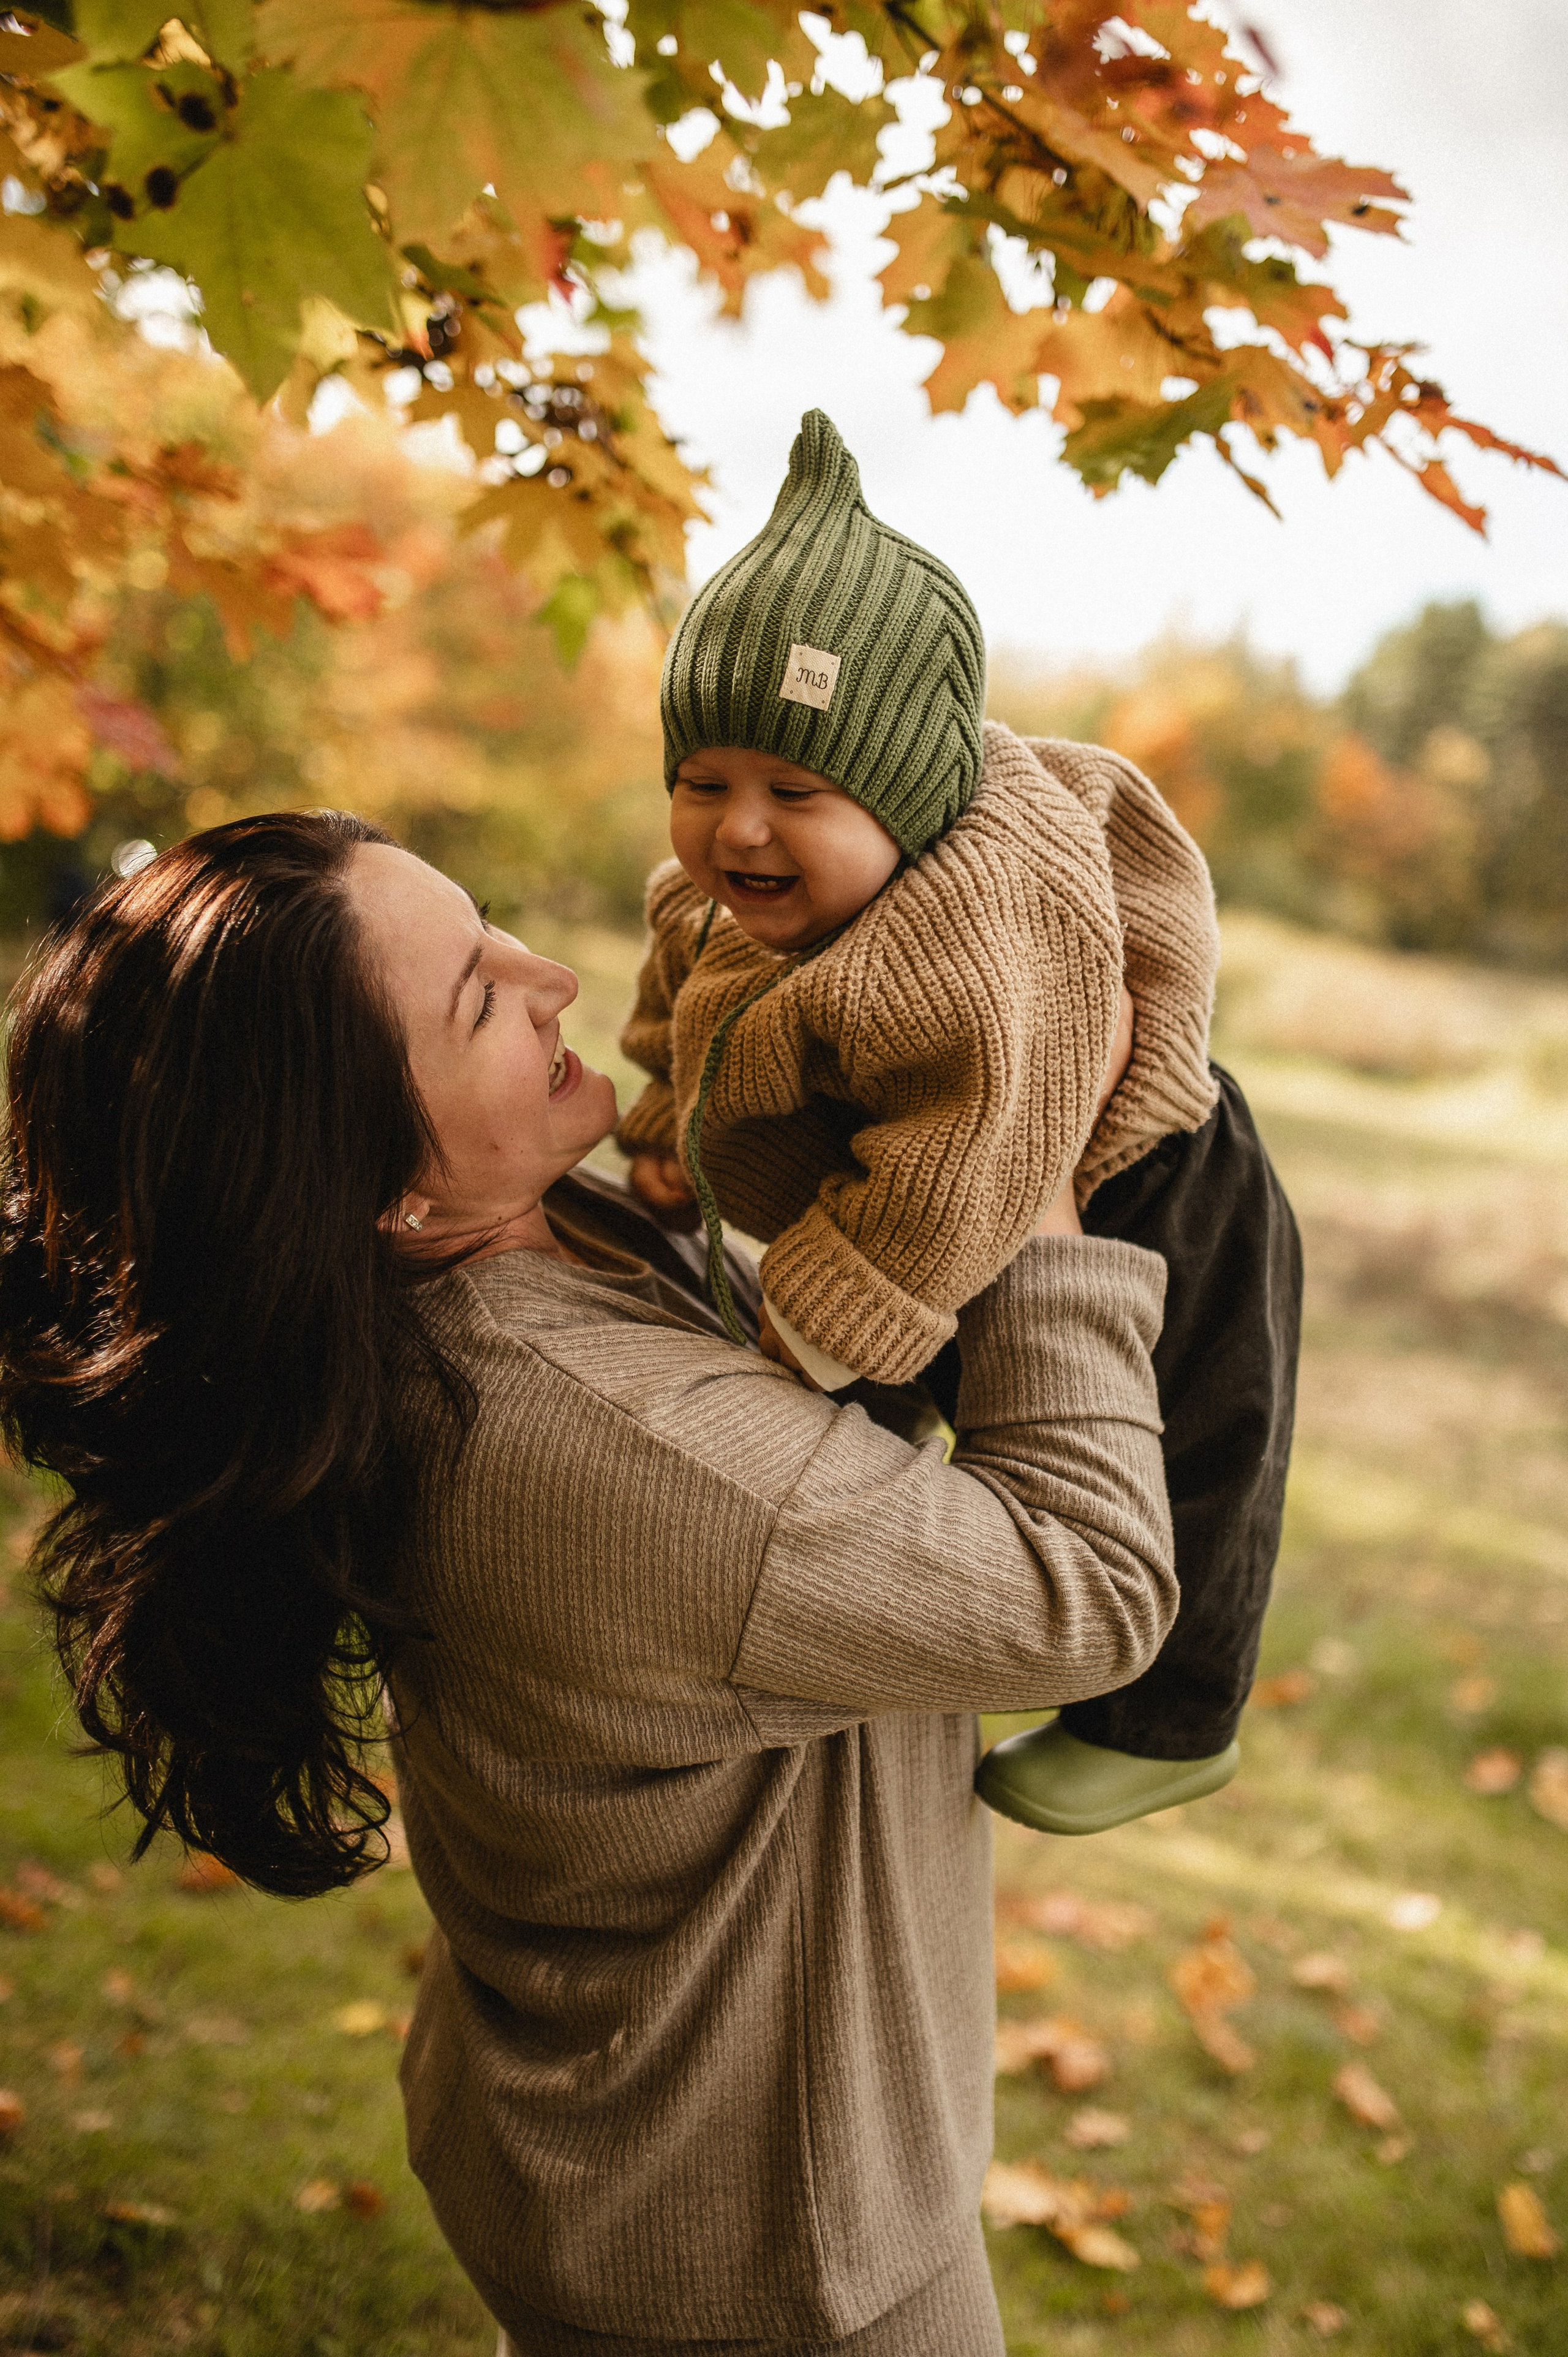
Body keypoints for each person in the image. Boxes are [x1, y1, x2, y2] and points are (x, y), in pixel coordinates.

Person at [0, 809, 1175, 2356]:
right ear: (370, 1183)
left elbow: (814, 1402)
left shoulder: (468, 1268)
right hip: (779, 2263)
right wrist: (1020, 1196)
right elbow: (1083, 1584)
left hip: (629, 2167)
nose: (548, 973)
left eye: (487, 924)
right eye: (478, 1002)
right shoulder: (596, 1445)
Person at [620, 409, 1302, 1839]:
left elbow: (969, 1167)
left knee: (1196, 1431)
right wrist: (659, 1125)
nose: (736, 830)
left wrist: (814, 1323)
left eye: (792, 793)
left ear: (909, 803)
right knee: (843, 1421)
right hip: (905, 1167)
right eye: (702, 782)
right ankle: (839, 1625)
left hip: (1115, 1162)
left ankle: (1166, 1723)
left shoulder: (969, 938)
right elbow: (681, 995)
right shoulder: (721, 891)